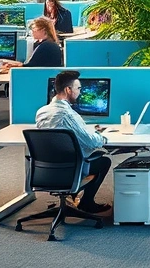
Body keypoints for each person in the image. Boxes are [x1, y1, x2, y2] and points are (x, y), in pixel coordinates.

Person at [35, 70, 112, 214]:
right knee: (103, 161)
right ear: (68, 90)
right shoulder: (68, 115)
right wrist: (102, 136)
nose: (80, 92)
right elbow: (91, 142)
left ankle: (73, 196)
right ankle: (86, 203)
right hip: (70, 170)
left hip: (46, 171)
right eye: (78, 88)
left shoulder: (42, 112)